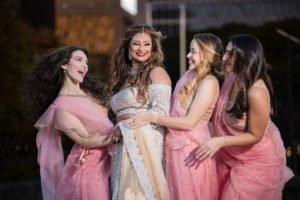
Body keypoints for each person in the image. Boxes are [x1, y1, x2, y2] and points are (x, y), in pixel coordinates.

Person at [125, 33, 224, 200]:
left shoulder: (209, 82)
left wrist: (151, 117)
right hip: (174, 150)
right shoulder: (188, 76)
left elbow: (189, 122)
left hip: (192, 153)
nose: (188, 55)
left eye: (193, 52)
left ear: (206, 54)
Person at [195, 35, 294, 200]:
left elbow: (256, 135)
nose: (224, 58)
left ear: (244, 56)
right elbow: (218, 115)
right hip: (230, 156)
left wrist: (220, 141)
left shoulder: (256, 92)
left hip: (258, 163)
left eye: (229, 54)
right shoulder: (232, 79)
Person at [26, 46, 120, 200]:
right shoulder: (60, 107)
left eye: (86, 62)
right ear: (64, 65)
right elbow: (85, 140)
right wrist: (118, 136)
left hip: (111, 160)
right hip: (89, 170)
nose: (85, 65)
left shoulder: (90, 92)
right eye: (79, 60)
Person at [108, 24, 171, 200]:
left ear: (153, 48)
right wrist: (118, 129)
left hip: (145, 140)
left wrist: (128, 127)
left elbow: (161, 111)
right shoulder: (122, 76)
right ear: (128, 47)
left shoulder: (156, 72)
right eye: (136, 44)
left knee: (137, 194)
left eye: (146, 44)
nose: (141, 49)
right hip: (122, 142)